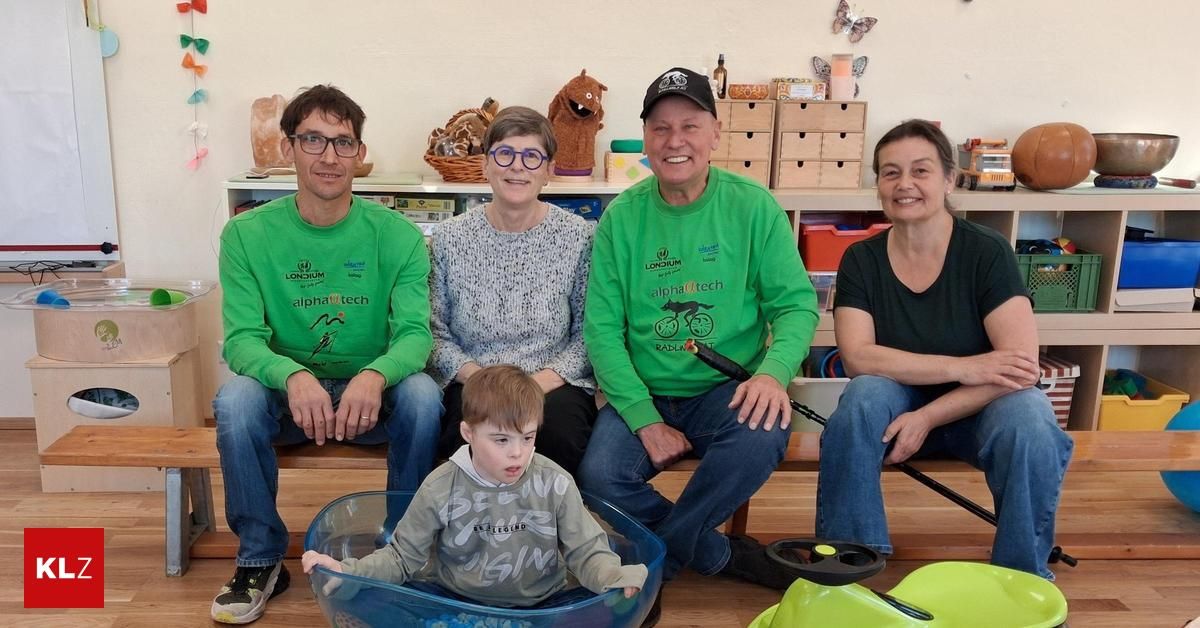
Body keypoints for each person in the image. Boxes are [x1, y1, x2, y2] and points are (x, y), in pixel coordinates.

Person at [578, 67, 820, 590]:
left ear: (715, 133)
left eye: (689, 125)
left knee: (763, 434)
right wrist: (644, 419)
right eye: (661, 128)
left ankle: (665, 553)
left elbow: (798, 307)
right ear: (646, 141)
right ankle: (715, 552)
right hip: (642, 392)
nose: (675, 141)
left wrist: (773, 374)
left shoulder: (752, 206)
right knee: (599, 478)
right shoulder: (622, 218)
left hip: (724, 390)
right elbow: (601, 330)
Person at [211, 84, 443, 623]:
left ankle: (402, 547)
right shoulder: (246, 235)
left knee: (424, 395)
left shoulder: (399, 236)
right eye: (313, 139)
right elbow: (241, 340)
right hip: (289, 401)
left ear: (360, 156)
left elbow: (415, 335)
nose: (328, 155)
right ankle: (261, 556)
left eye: (342, 142)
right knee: (235, 400)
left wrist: (375, 374)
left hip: (370, 401)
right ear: (288, 148)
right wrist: (291, 375)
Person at [815, 119, 1074, 578]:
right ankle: (850, 562)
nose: (905, 184)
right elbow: (860, 357)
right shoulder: (860, 258)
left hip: (980, 409)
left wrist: (928, 416)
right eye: (891, 173)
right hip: (898, 405)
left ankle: (1022, 575)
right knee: (861, 398)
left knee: (1032, 418)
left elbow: (1019, 368)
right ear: (879, 185)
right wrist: (965, 366)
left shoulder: (986, 252)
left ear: (949, 179)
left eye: (920, 170)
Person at [301, 365, 647, 609]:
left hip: (546, 603)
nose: (517, 452)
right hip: (456, 603)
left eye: (528, 437)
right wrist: (350, 571)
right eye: (500, 439)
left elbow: (586, 550)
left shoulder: (555, 481)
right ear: (468, 433)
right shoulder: (440, 486)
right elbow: (402, 558)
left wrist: (612, 576)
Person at [430, 106, 597, 476]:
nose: (517, 166)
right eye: (504, 154)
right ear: (486, 165)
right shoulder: (448, 238)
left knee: (559, 436)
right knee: (466, 437)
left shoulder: (580, 237)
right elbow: (435, 334)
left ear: (549, 170)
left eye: (532, 156)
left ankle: (544, 528)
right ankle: (473, 529)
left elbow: (589, 334)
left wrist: (530, 387)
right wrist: (483, 381)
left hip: (551, 382)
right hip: (473, 379)